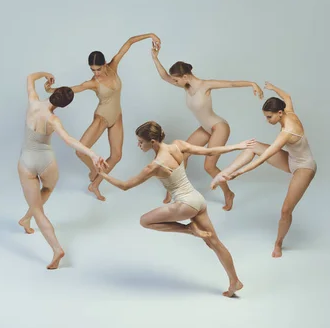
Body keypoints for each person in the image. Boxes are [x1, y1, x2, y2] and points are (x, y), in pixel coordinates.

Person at [95, 121, 255, 297]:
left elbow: (125, 186)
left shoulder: (155, 166)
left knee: (145, 221)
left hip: (186, 205)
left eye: (141, 141)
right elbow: (209, 151)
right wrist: (237, 146)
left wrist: (102, 174)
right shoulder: (178, 145)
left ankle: (189, 229)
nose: (138, 144)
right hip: (198, 200)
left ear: (153, 142)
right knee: (214, 243)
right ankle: (235, 281)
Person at [45, 33, 161, 201]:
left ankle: (94, 185)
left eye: (98, 69)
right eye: (92, 70)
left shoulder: (113, 66)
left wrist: (151, 35)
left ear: (105, 64)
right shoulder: (93, 83)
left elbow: (128, 42)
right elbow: (73, 89)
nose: (96, 73)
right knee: (80, 150)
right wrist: (50, 90)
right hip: (102, 117)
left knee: (116, 156)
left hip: (117, 117)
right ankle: (93, 170)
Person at [150, 42, 264, 211]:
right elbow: (164, 76)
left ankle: (228, 193)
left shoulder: (206, 85)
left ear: (185, 76)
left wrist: (252, 84)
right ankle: (174, 190)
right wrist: (155, 57)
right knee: (180, 155)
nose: (174, 82)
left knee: (208, 166)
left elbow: (231, 84)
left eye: (176, 79)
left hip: (219, 127)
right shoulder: (186, 86)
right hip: (205, 128)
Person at [210, 82, 317, 258]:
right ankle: (225, 173)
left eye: (269, 117)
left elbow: (266, 156)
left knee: (285, 210)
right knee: (252, 146)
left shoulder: (288, 131)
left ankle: (278, 243)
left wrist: (241, 172)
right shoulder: (288, 111)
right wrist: (274, 88)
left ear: (279, 113)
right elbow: (288, 97)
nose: (267, 121)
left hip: (304, 166)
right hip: (291, 160)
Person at [19, 71, 108, 269]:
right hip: (47, 161)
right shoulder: (53, 120)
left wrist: (46, 75)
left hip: (27, 161)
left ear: (53, 92)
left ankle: (55, 247)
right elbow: (70, 141)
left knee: (38, 210)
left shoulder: (33, 102)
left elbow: (29, 78)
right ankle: (26, 220)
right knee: (48, 188)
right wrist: (92, 154)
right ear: (63, 105)